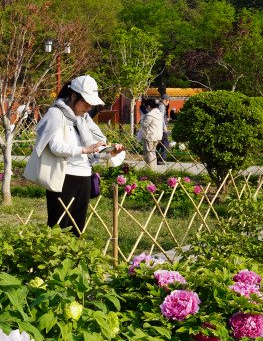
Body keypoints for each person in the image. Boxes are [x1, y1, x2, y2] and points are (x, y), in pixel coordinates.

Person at [32, 75, 123, 235]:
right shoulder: (56, 114)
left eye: (91, 104)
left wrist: (110, 152)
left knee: (77, 226)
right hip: (63, 176)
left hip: (84, 175)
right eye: (85, 102)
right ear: (74, 96)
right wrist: (84, 150)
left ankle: (73, 252)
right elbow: (56, 147)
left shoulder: (84, 119)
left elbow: (94, 148)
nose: (89, 107)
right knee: (59, 226)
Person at [136, 97, 165, 169]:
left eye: (146, 106)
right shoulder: (159, 113)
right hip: (157, 136)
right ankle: (154, 168)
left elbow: (144, 124)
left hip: (150, 137)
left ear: (148, 106)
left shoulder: (150, 115)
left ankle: (151, 169)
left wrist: (142, 115)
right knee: (152, 153)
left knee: (148, 154)